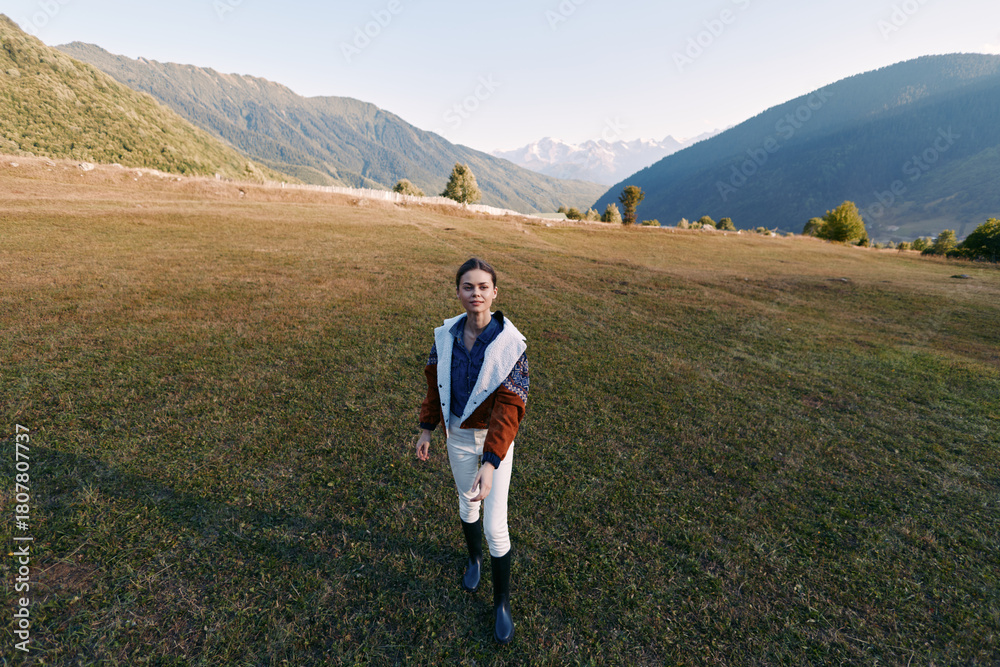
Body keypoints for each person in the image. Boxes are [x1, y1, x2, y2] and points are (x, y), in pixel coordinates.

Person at [414, 257, 529, 645]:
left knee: (496, 526)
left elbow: (509, 408)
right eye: (468, 286)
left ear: (495, 292)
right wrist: (426, 429)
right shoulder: (445, 335)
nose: (475, 293)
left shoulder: (511, 344)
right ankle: (474, 560)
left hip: (494, 444)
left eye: (483, 286)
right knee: (467, 505)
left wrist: (492, 462)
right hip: (457, 438)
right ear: (458, 292)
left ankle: (501, 603)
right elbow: (435, 385)